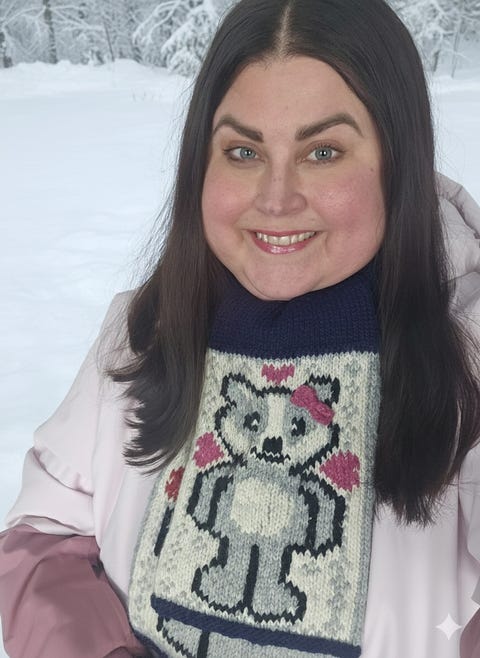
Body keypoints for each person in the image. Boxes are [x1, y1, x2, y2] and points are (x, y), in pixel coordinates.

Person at [1, 0, 480, 656]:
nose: (276, 198)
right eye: (244, 150)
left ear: (399, 163)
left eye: (323, 151)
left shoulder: (468, 359)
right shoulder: (143, 331)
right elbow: (46, 536)